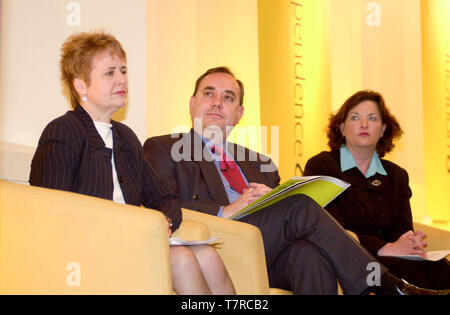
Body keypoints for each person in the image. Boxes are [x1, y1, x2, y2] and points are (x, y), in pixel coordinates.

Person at [143, 66, 449, 295]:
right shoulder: (163, 147)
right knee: (300, 206)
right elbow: (165, 208)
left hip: (266, 251)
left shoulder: (259, 161)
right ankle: (381, 284)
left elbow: (284, 223)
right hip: (217, 243)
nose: (217, 103)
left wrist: (272, 198)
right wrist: (229, 209)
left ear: (239, 113)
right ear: (192, 103)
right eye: (208, 94)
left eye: (228, 98)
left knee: (308, 253)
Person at [29, 32, 235, 295]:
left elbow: (165, 198)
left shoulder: (125, 137)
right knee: (181, 259)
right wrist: (134, 227)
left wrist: (163, 220)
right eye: (110, 73)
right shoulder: (63, 131)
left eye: (123, 71)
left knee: (207, 254)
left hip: (131, 240)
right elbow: (50, 210)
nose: (122, 80)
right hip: (85, 249)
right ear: (81, 86)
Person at [303, 89, 450, 290]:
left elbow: (402, 228)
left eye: (372, 118)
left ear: (382, 129)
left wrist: (409, 241)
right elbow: (330, 229)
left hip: (392, 257)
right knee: (404, 274)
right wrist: (385, 247)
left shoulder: (397, 175)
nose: (364, 124)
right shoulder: (322, 165)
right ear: (342, 127)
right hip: (348, 256)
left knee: (441, 268)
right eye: (355, 118)